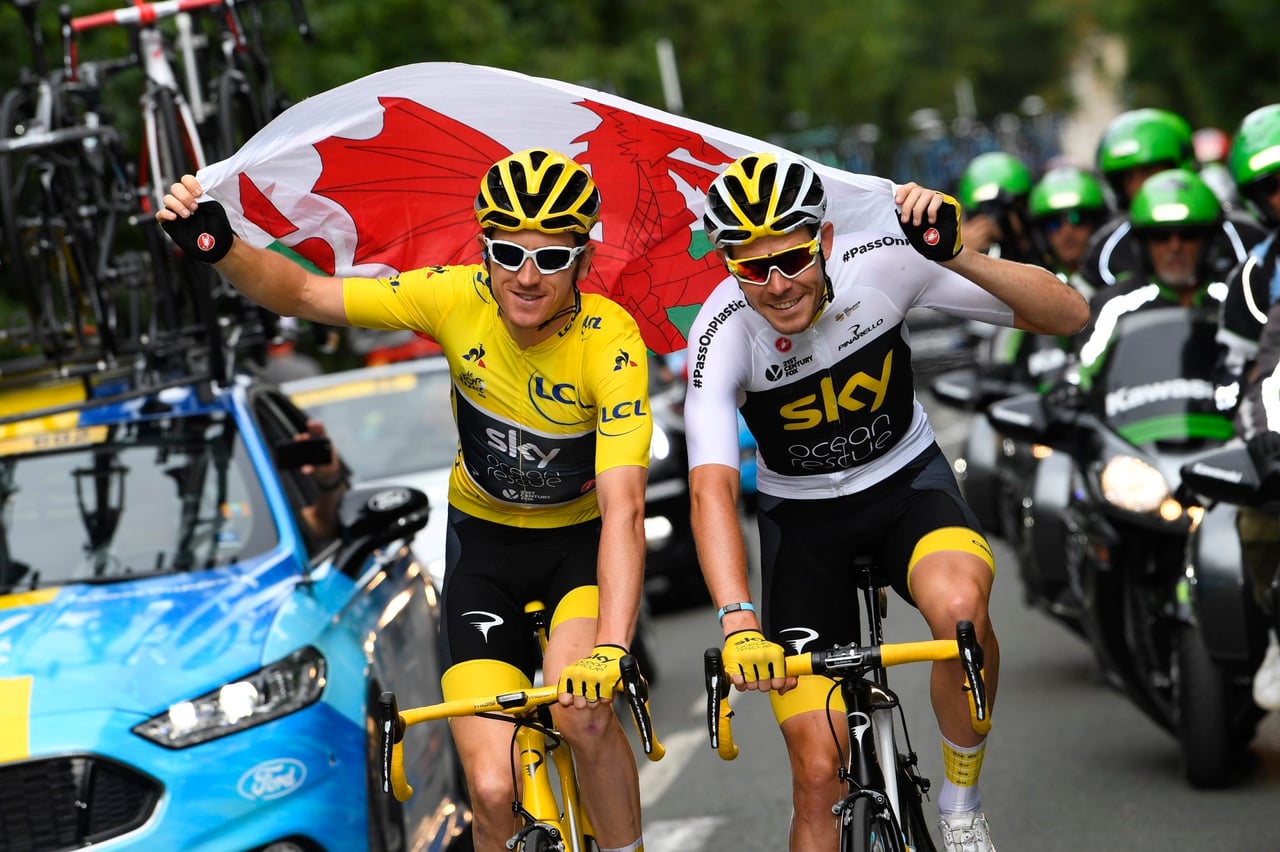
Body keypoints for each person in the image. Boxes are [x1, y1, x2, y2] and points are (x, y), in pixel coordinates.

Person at [157, 148, 652, 852]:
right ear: (484, 250)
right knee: (489, 789)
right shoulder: (453, 298)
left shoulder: (611, 340)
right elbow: (304, 296)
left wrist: (612, 648)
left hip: (577, 545)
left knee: (585, 716)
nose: (527, 276)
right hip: (484, 548)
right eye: (508, 253)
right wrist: (219, 246)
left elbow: (625, 508)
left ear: (582, 258)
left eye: (552, 257)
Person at [684, 152, 1089, 852]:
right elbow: (710, 488)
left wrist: (958, 256)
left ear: (827, 241)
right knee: (818, 772)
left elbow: (1069, 315)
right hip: (803, 523)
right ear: (726, 265)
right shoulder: (721, 334)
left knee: (961, 611)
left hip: (907, 486)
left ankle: (961, 806)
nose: (778, 286)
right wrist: (738, 619)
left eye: (793, 259)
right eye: (752, 268)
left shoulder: (886, 262)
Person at [1216, 104, 1280, 711]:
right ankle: (1277, 631)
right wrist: (1259, 441)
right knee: (1255, 519)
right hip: (1277, 434)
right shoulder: (1255, 278)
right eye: (1276, 186)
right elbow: (1242, 377)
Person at [1081, 107, 1264, 294]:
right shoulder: (1106, 250)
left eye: (1150, 172)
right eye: (1127, 178)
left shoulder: (1242, 234)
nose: (1139, 186)